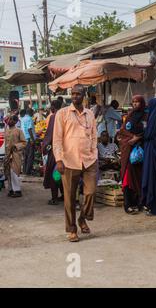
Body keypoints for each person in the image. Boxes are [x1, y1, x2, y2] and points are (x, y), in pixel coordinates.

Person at [53, 84, 98, 243]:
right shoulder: (62, 114)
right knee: (69, 197)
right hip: (69, 161)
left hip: (89, 160)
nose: (75, 96)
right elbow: (57, 139)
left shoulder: (90, 114)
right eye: (72, 94)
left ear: (84, 96)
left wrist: (94, 153)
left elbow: (94, 136)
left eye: (78, 94)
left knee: (91, 192)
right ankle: (72, 229)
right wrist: (59, 159)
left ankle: (82, 218)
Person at [117, 95, 146, 215]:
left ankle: (139, 203)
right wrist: (132, 138)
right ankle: (128, 204)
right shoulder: (129, 115)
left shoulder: (146, 116)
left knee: (140, 178)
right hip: (129, 152)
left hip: (141, 152)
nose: (135, 104)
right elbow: (123, 130)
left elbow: (147, 131)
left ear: (142, 103)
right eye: (133, 102)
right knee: (128, 178)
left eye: (137, 102)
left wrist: (138, 138)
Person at [42, 100, 64, 205]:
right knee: (63, 174)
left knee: (53, 174)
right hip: (67, 151)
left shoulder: (54, 117)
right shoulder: (66, 115)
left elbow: (50, 134)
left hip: (56, 150)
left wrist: (45, 146)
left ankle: (54, 198)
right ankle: (64, 195)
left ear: (53, 107)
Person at [4, 115, 26, 198]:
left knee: (14, 172)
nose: (9, 121)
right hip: (7, 155)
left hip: (15, 155)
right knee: (8, 173)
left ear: (15, 122)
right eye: (9, 120)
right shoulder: (6, 130)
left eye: (11, 120)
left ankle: (17, 190)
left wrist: (16, 146)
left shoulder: (18, 131)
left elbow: (24, 143)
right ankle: (11, 190)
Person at [21, 108, 36, 175]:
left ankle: (24, 170)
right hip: (29, 139)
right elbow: (29, 129)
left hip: (24, 139)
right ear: (30, 112)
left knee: (26, 156)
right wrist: (32, 139)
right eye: (32, 113)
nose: (33, 114)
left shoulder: (23, 118)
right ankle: (28, 171)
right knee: (30, 156)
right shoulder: (29, 119)